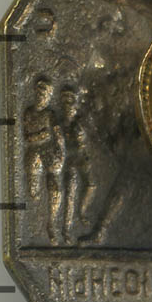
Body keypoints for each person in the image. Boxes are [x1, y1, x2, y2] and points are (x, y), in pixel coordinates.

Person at [23, 77, 64, 245]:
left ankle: (51, 223)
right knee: (33, 192)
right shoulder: (29, 113)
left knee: (54, 187)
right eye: (40, 93)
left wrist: (61, 152)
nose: (43, 97)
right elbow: (27, 137)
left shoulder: (50, 115)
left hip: (48, 151)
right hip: (34, 152)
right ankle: (34, 224)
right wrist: (41, 135)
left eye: (46, 94)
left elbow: (58, 136)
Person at [60, 86, 96, 244]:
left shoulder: (79, 122)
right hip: (69, 160)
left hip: (81, 158)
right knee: (70, 192)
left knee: (91, 185)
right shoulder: (61, 124)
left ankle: (82, 212)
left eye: (72, 103)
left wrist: (82, 136)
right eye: (67, 104)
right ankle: (66, 228)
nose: (70, 107)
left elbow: (86, 140)